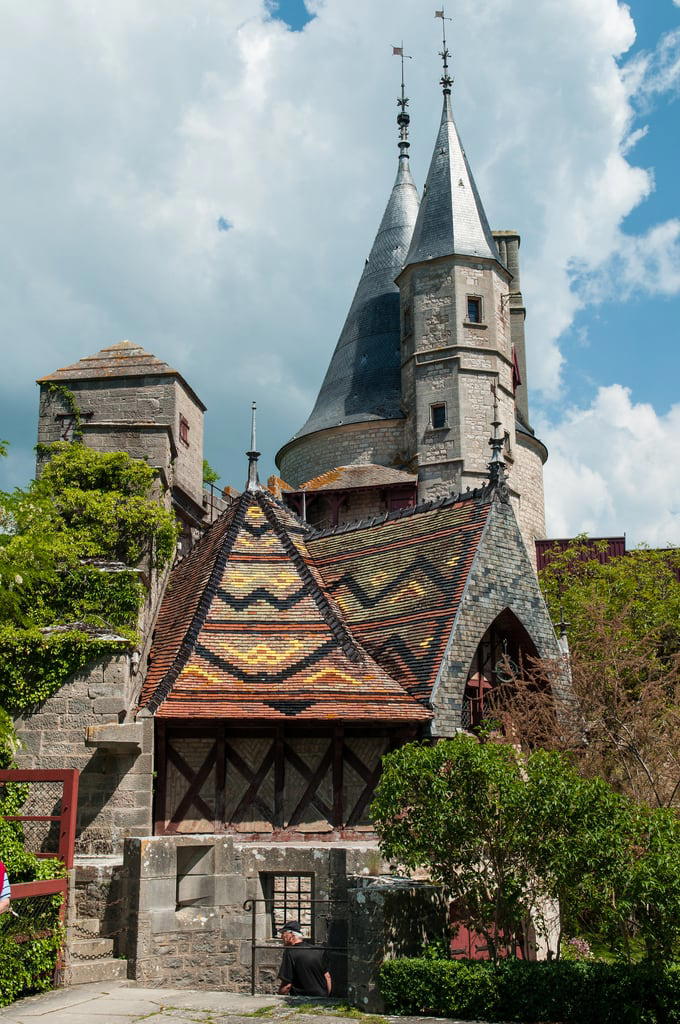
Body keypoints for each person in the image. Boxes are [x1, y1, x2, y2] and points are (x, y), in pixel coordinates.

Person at [277, 920, 332, 997]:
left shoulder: (290, 952)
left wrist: (278, 998)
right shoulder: (318, 950)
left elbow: (287, 985)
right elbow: (327, 977)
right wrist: (327, 997)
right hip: (321, 996)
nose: (281, 937)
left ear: (291, 935)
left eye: (283, 933)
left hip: (302, 999)